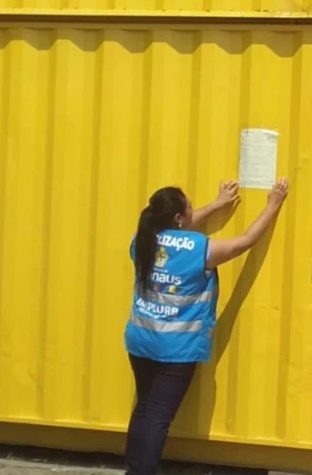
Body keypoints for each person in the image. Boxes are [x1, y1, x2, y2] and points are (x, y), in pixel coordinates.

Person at [124, 178, 289, 475]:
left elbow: (178, 230)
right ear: (178, 218)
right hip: (175, 350)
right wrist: (272, 205)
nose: (192, 211)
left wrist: (216, 205)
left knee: (145, 409)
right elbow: (246, 241)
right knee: (158, 417)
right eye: (189, 208)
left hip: (140, 342)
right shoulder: (199, 249)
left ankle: (135, 468)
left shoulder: (143, 242)